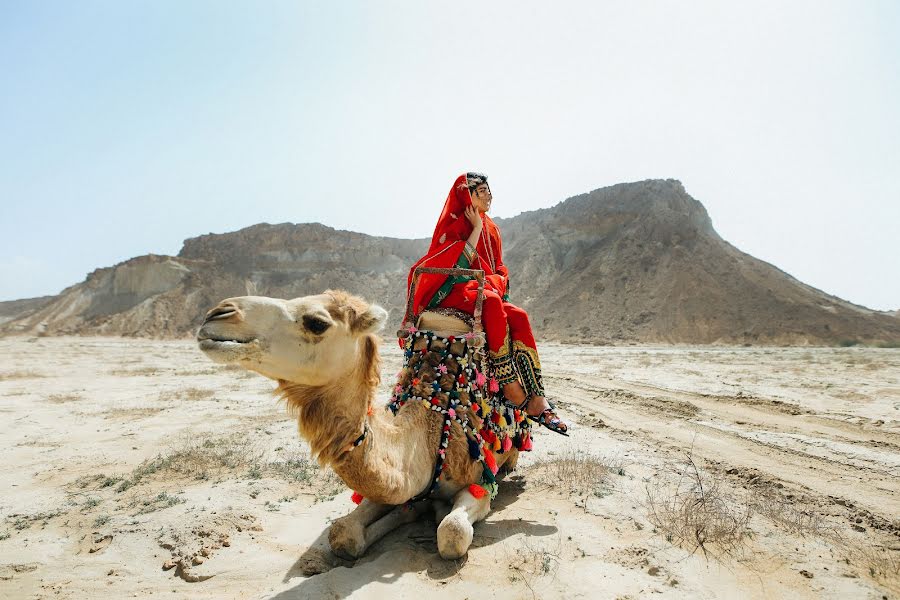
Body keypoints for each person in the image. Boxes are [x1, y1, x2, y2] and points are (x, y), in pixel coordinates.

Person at [406, 172, 568, 435]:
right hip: (454, 289)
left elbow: (498, 266)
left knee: (518, 315)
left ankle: (537, 397)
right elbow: (453, 266)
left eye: (488, 189)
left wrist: (498, 277)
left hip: (484, 288)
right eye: (480, 191)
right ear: (465, 196)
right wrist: (476, 230)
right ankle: (511, 389)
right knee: (491, 301)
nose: (488, 194)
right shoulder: (456, 223)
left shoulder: (493, 228)